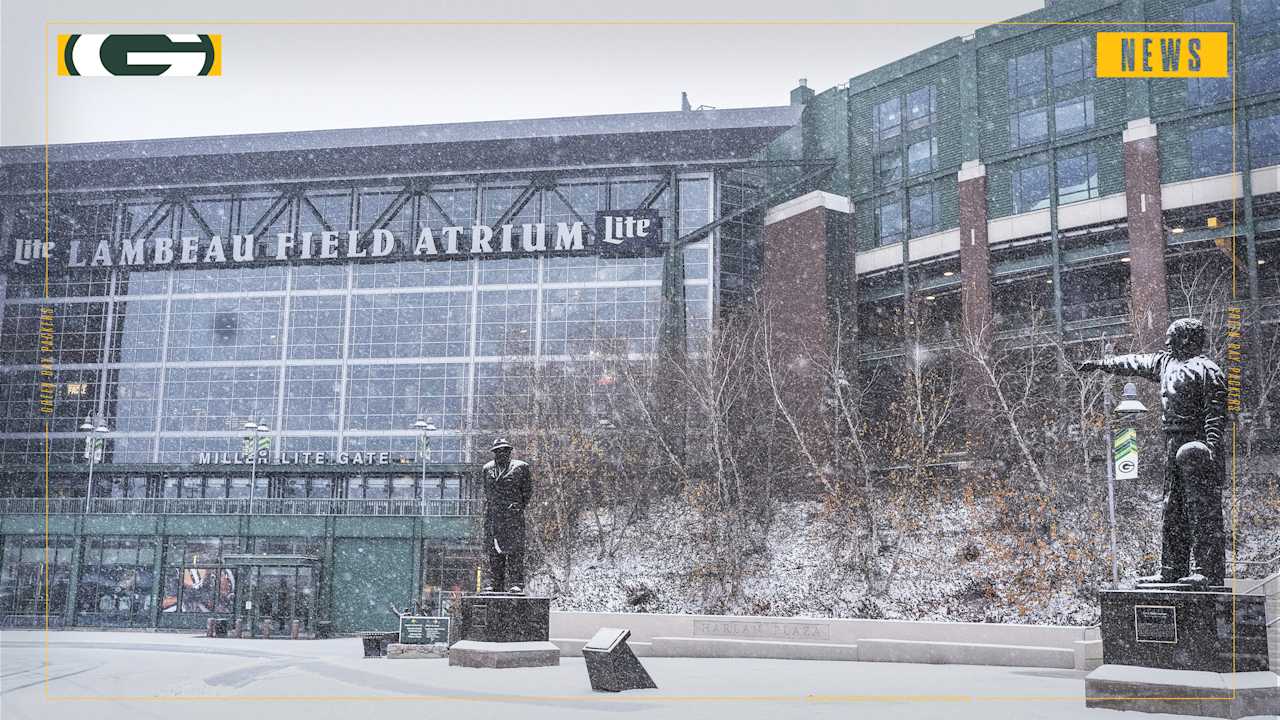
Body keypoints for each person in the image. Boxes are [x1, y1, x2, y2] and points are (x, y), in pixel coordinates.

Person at [1075, 318, 1227, 587]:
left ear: (1187, 338)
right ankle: (1172, 568)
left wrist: (1211, 451)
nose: (1167, 341)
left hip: (1197, 446)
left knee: (1201, 509)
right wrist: (1102, 364)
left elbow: (1215, 417)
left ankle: (1208, 570)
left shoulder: (1208, 370)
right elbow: (1133, 362)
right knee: (1172, 508)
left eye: (1172, 336)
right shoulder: (1165, 363)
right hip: (1173, 442)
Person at [479, 438, 533, 593]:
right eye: (498, 451)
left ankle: (516, 583)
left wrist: (517, 506)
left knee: (515, 552)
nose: (501, 453)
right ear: (494, 453)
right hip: (494, 517)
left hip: (513, 517)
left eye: (504, 450)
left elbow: (527, 491)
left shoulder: (521, 467)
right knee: (494, 552)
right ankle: (496, 583)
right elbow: (487, 492)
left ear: (509, 452)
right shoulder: (487, 469)